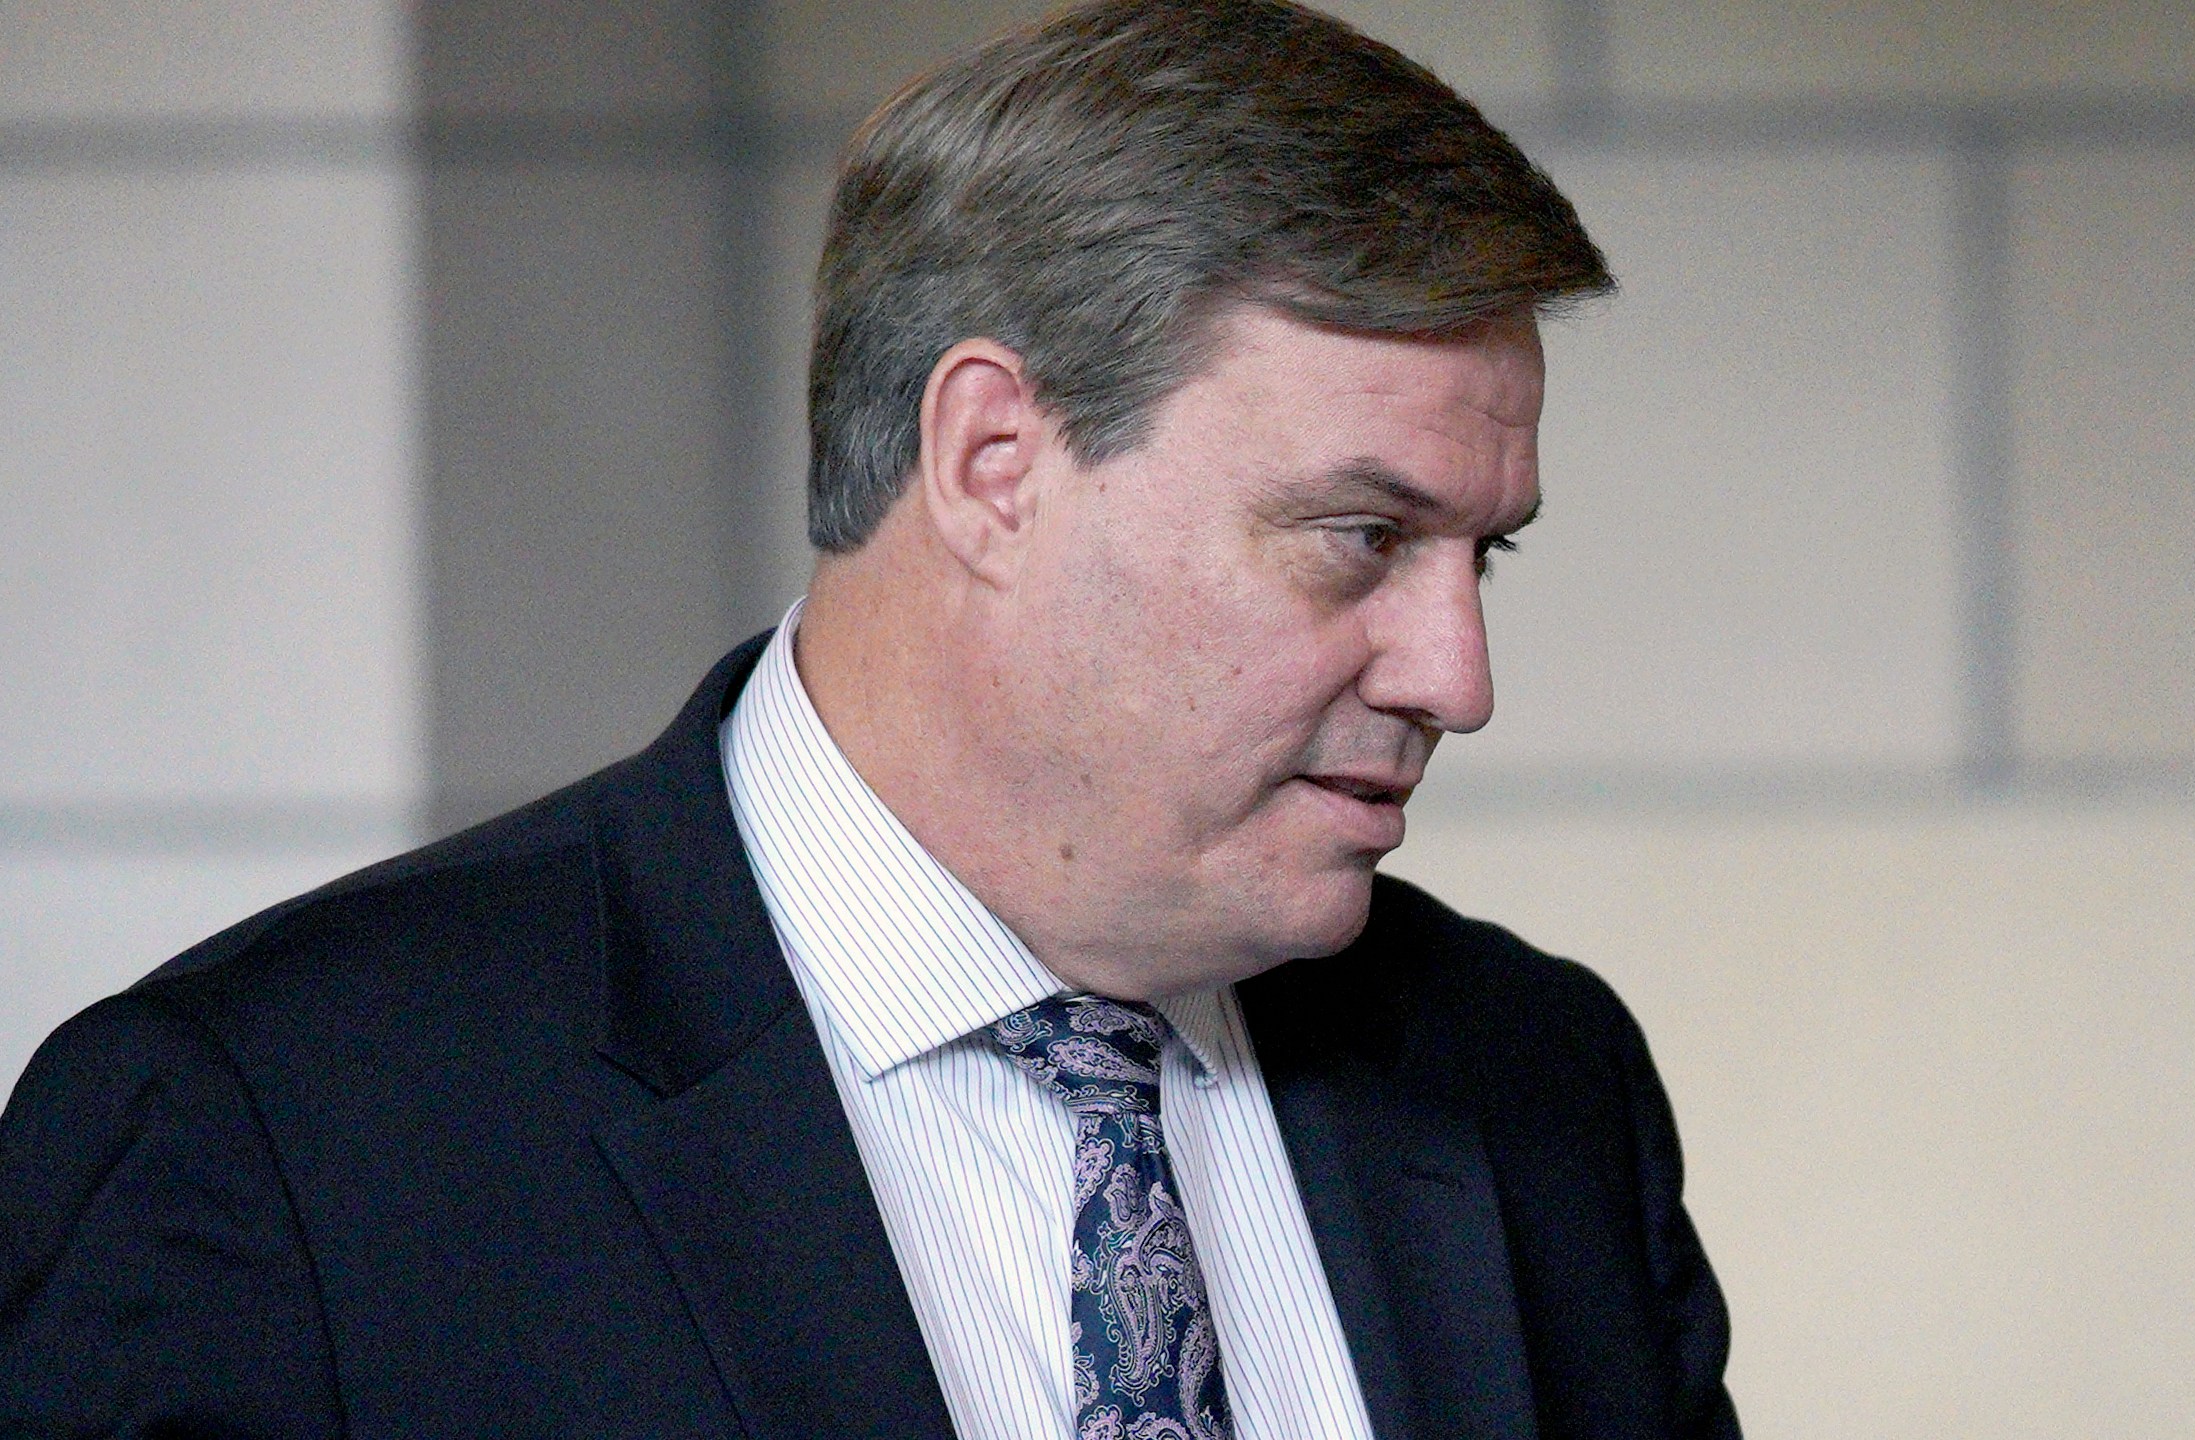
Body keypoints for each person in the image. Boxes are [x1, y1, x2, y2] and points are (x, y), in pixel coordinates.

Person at [0, 1, 1738, 1436]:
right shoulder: (278, 1138)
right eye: (1361, 539)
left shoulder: (1532, 1086)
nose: (1456, 676)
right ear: (993, 464)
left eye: (1478, 557)